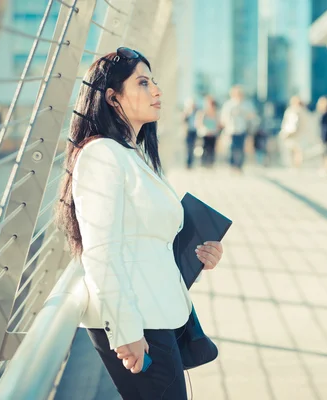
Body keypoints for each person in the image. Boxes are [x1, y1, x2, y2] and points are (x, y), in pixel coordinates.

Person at [56, 47, 224, 399]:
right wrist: (126, 331)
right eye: (143, 83)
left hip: (158, 313)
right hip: (136, 321)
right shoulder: (102, 155)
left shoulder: (136, 155)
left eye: (155, 82)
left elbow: (149, 239)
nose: (157, 91)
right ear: (113, 98)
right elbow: (100, 251)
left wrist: (201, 253)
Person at [220, 85, 257, 173]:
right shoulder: (228, 104)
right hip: (231, 130)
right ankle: (232, 165)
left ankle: (239, 166)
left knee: (240, 148)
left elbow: (252, 116)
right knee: (232, 148)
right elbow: (223, 117)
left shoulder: (246, 104)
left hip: (242, 129)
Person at [279, 96, 310, 169]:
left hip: (293, 133)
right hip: (299, 134)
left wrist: (286, 132)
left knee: (294, 150)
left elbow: (292, 124)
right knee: (297, 150)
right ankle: (297, 166)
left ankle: (295, 166)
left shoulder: (294, 111)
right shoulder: (304, 111)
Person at [195, 95, 221, 168]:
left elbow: (218, 124)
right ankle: (203, 164)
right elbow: (198, 123)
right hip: (204, 134)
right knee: (203, 149)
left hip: (213, 134)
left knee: (211, 150)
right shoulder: (202, 113)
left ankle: (210, 164)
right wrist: (205, 130)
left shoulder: (216, 114)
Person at [183, 97, 198, 169]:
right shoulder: (187, 113)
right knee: (188, 148)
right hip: (188, 132)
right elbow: (183, 121)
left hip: (195, 132)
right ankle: (188, 164)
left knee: (193, 148)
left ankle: (192, 163)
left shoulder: (197, 112)